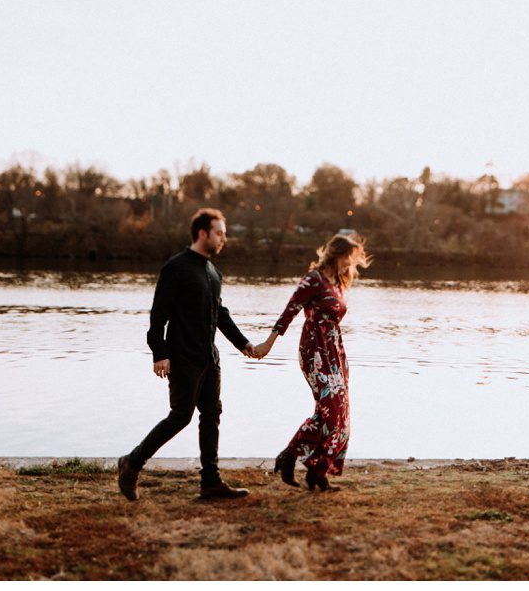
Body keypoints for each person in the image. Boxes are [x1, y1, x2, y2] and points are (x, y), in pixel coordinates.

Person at [117, 208, 257, 501]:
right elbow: (159, 314)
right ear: (202, 233)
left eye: (224, 234)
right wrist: (159, 352)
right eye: (219, 233)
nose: (223, 239)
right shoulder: (176, 267)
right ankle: (132, 462)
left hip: (210, 358)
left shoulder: (213, 272)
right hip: (183, 357)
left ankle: (211, 482)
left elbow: (220, 315)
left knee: (212, 414)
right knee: (181, 416)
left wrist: (243, 344)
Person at [252, 234, 371, 492]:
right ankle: (308, 466)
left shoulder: (337, 282)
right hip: (315, 352)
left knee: (338, 415)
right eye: (350, 256)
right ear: (338, 254)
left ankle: (306, 465)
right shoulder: (313, 280)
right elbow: (290, 311)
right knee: (332, 412)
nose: (352, 262)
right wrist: (267, 344)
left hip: (335, 352)